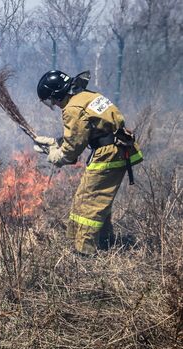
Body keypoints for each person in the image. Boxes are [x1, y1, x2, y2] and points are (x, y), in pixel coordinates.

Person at [34, 70, 143, 255]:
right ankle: (104, 241)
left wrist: (55, 155)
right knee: (96, 198)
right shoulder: (87, 96)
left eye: (52, 100)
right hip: (117, 150)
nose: (54, 104)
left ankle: (85, 253)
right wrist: (55, 142)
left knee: (88, 202)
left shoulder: (72, 109)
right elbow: (89, 132)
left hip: (108, 154)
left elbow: (71, 152)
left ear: (58, 93)